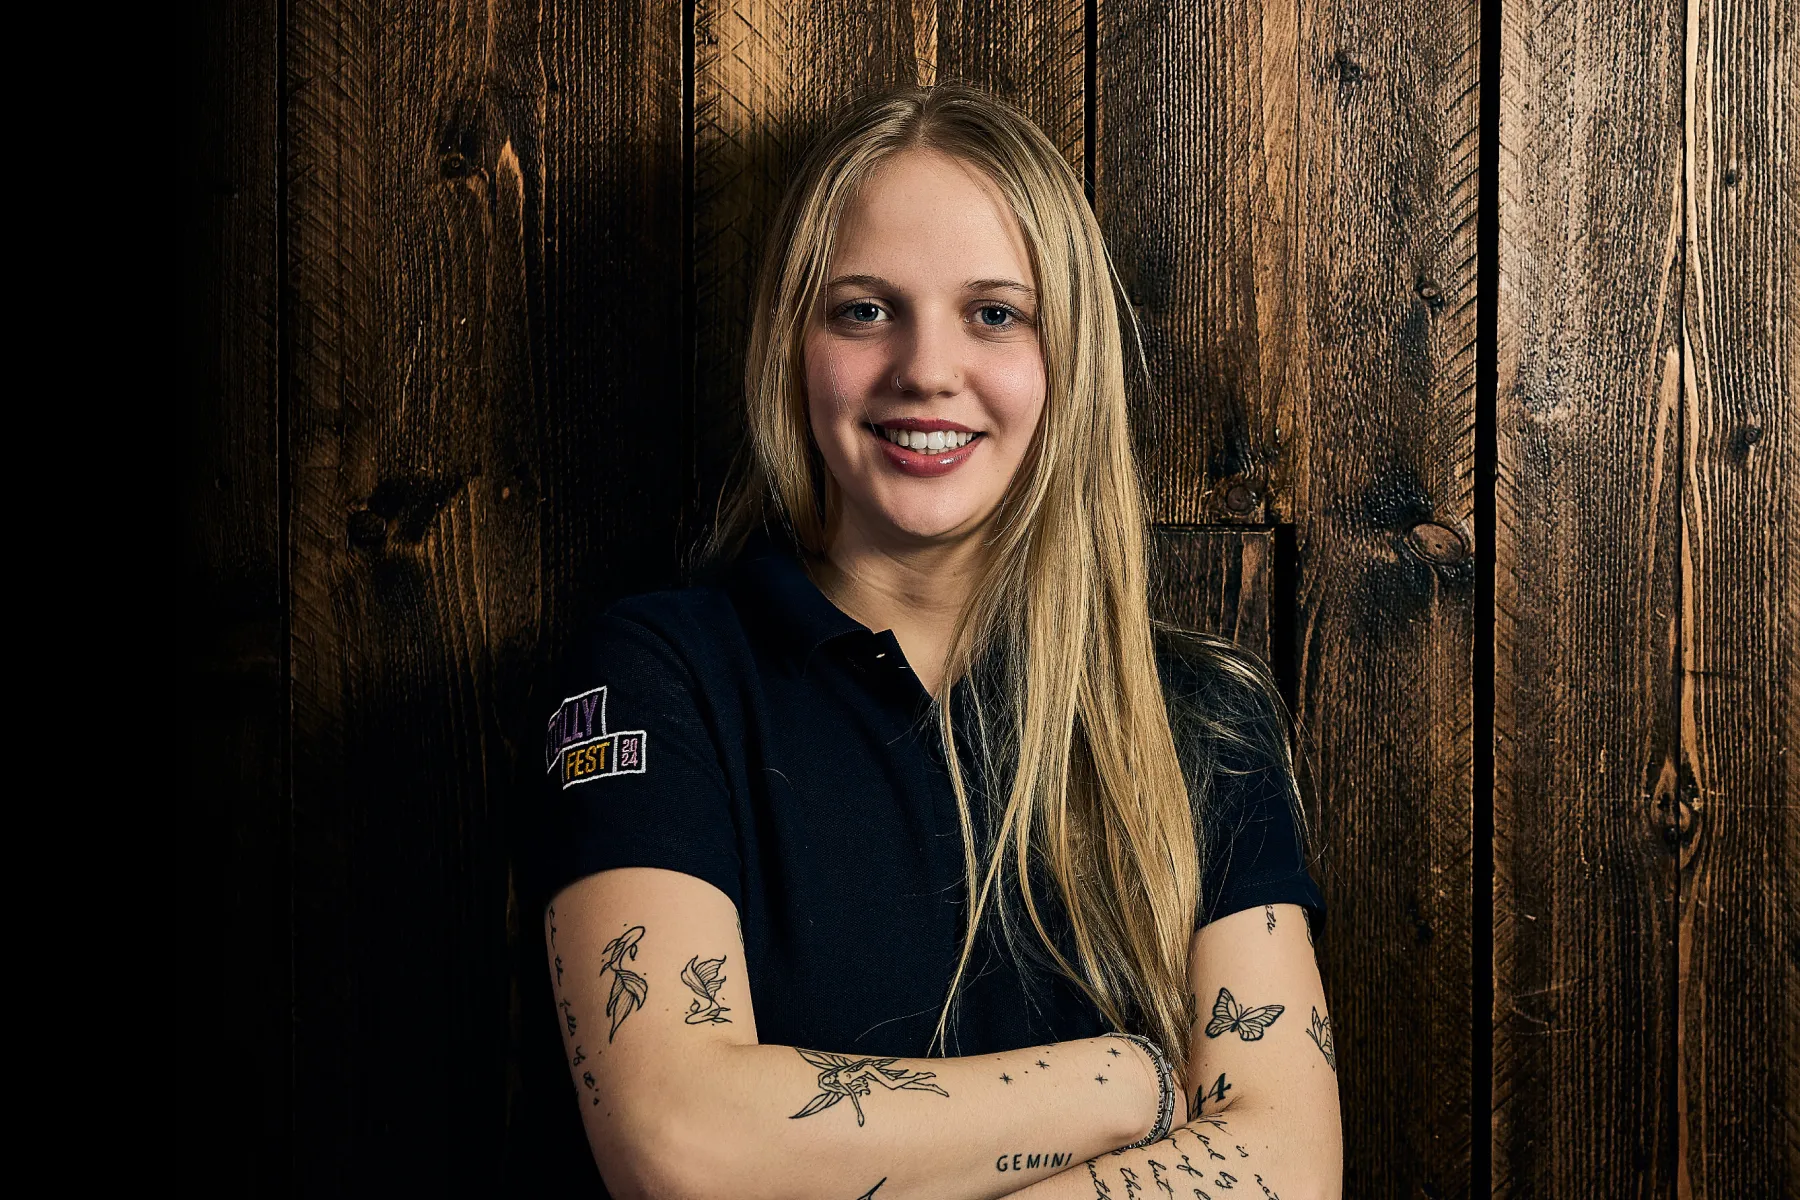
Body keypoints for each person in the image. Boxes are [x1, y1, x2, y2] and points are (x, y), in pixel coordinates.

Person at [534, 81, 1342, 1200]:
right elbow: (682, 1144)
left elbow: (1287, 1167)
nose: (926, 368)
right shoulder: (660, 677)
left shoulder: (1200, 717)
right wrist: (1129, 1082)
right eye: (864, 309)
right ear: (792, 344)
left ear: (1068, 360)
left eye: (995, 313)